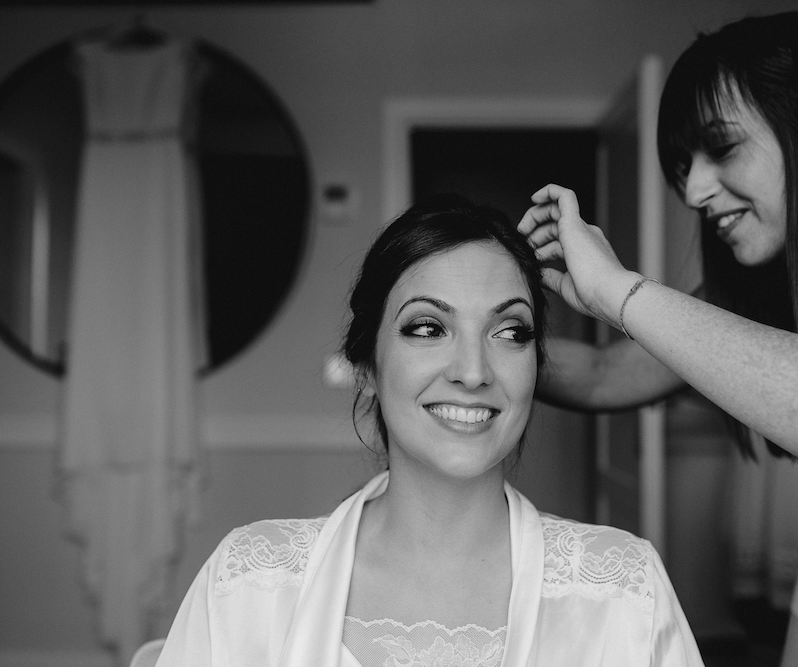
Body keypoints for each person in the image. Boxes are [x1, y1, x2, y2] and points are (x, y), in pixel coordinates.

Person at [518, 11, 798, 667]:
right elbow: (604, 374)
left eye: (722, 148)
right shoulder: (771, 279)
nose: (691, 189)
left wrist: (617, 290)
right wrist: (473, 332)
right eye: (685, 163)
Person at [154, 194, 704, 666]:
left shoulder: (625, 591)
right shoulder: (249, 585)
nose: (472, 371)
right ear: (366, 366)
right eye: (428, 327)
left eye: (510, 331)